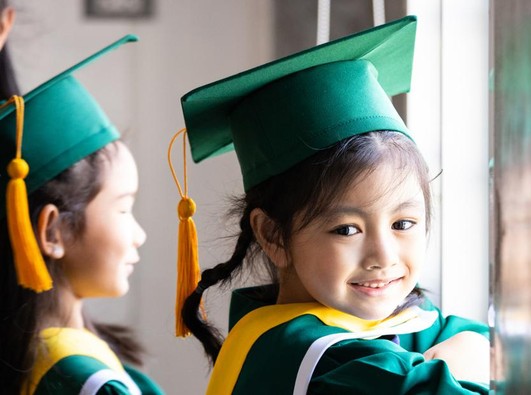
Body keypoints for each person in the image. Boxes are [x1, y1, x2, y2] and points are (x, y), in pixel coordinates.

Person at [175, 15, 490, 394]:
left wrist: (471, 344)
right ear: (272, 234)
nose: (382, 256)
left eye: (403, 223)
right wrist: (471, 356)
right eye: (347, 229)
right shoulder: (314, 358)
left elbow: (465, 334)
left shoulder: (389, 318)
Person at [0, 35, 163, 394]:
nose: (140, 235)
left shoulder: (38, 357)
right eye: (123, 208)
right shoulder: (83, 379)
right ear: (53, 232)